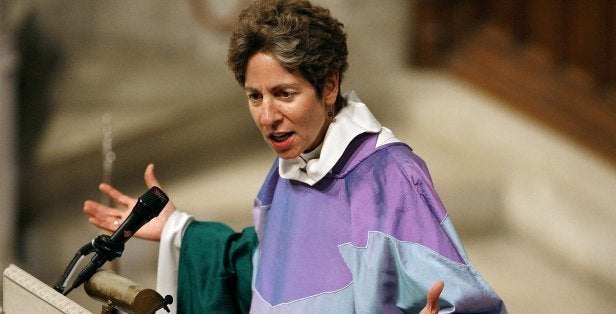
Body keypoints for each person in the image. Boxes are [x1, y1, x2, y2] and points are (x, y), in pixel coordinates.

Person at [83, 0, 507, 313]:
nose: (267, 117)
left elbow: (466, 303)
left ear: (328, 86)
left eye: (284, 94)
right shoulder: (292, 166)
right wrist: (178, 229)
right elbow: (270, 270)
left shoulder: (390, 179)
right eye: (254, 96)